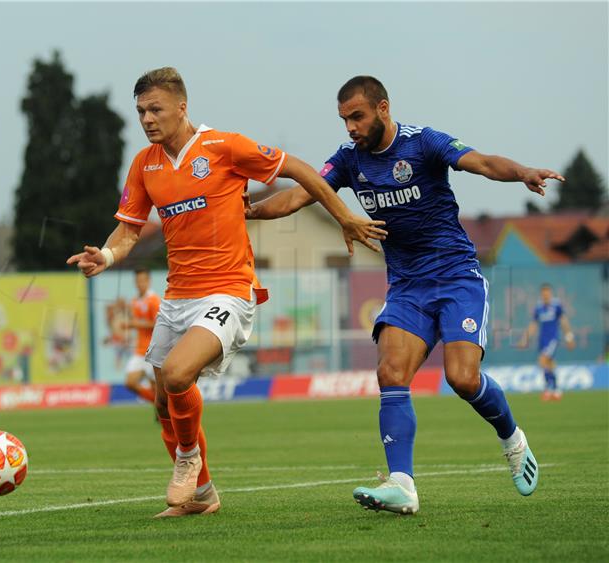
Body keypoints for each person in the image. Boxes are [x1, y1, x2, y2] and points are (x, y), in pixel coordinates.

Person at [68, 67, 386, 518]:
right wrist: (106, 255)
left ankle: (186, 460)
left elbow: (299, 171)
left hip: (228, 292)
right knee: (163, 399)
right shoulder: (145, 164)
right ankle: (203, 495)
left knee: (178, 375)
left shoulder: (224, 147)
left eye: (155, 109)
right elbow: (129, 229)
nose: (147, 119)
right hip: (178, 295)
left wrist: (344, 217)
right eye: (140, 111)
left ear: (182, 106)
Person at [247, 76, 565, 514]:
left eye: (357, 117)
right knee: (391, 372)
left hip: (456, 277)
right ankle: (403, 485)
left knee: (463, 379)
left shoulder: (424, 143)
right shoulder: (347, 161)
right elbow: (300, 196)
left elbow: (484, 163)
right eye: (344, 120)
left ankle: (513, 440)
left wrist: (523, 173)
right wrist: (249, 210)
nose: (351, 128)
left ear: (382, 107)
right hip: (408, 286)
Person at [517, 283, 575, 400]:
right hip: (542, 340)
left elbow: (564, 321)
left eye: (547, 292)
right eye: (543, 292)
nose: (545, 294)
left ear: (550, 293)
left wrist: (569, 337)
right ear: (541, 294)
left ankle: (550, 388)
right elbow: (533, 325)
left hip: (552, 339)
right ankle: (555, 389)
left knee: (542, 361)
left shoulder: (556, 305)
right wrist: (525, 339)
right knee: (549, 364)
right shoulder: (539, 308)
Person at [120, 267, 160, 403]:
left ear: (149, 281)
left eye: (143, 280)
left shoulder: (154, 300)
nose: (140, 284)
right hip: (139, 351)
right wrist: (128, 325)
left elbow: (157, 324)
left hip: (153, 351)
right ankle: (159, 404)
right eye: (137, 281)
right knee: (130, 383)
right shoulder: (135, 301)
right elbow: (136, 323)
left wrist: (134, 324)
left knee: (156, 389)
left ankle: (163, 412)